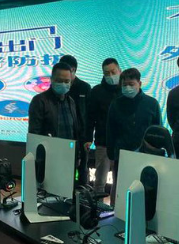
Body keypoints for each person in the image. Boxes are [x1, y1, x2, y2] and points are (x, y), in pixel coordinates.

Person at [107, 68, 161, 204]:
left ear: (139, 84)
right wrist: (111, 155)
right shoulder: (116, 104)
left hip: (146, 157)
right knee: (121, 191)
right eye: (124, 85)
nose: (127, 88)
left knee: (144, 193)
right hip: (122, 157)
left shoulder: (152, 103)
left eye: (131, 84)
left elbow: (158, 132)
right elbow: (111, 130)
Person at [85, 58, 122, 195]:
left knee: (120, 182)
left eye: (113, 72)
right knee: (100, 181)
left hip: (122, 144)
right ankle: (96, 207)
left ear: (119, 71)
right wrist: (88, 138)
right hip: (103, 142)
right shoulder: (96, 91)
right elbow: (90, 118)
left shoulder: (125, 89)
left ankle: (115, 207)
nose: (110, 76)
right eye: (107, 73)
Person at [61, 55, 92, 185]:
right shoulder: (60, 87)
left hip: (82, 136)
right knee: (64, 168)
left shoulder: (85, 87)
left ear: (73, 69)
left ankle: (82, 194)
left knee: (82, 168)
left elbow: (90, 114)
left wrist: (89, 137)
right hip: (63, 135)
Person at [28, 62, 79, 140]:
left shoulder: (71, 102)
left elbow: (74, 131)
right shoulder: (40, 101)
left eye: (66, 81)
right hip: (48, 147)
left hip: (69, 147)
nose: (63, 84)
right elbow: (34, 134)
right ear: (51, 79)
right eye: (59, 81)